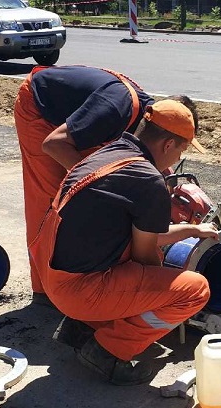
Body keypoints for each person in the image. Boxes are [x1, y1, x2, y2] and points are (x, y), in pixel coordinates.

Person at [28, 99, 217, 385]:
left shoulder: (110, 154)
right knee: (194, 291)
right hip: (80, 291)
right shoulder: (147, 180)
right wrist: (161, 291)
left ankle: (80, 328)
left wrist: (190, 231)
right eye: (181, 150)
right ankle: (109, 350)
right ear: (168, 145)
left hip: (54, 277)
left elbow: (130, 232)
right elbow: (146, 257)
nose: (178, 158)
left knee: (130, 253)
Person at [14, 65, 198, 306]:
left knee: (102, 196)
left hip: (80, 124)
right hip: (40, 112)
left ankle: (92, 275)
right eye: (180, 148)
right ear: (167, 140)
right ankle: (44, 291)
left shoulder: (148, 120)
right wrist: (102, 181)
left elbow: (142, 157)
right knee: (53, 200)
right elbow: (54, 144)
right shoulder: (115, 107)